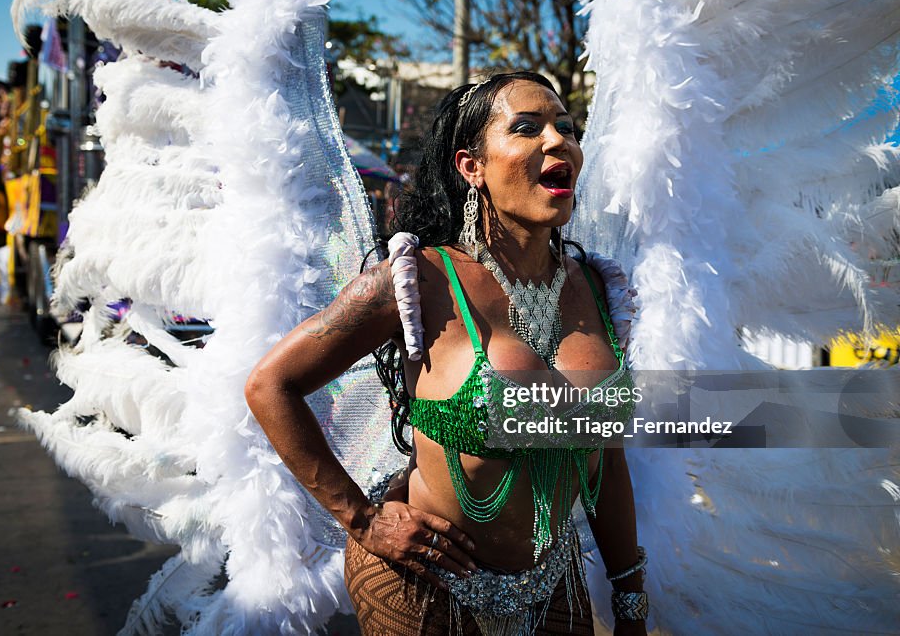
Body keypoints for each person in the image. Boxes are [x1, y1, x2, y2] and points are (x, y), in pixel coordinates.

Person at [246, 72, 646, 635]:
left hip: (553, 584)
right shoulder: (418, 281)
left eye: (566, 128)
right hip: (423, 586)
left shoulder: (600, 288)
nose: (558, 141)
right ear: (471, 167)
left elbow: (604, 456)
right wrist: (362, 520)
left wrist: (630, 594)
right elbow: (270, 385)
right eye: (527, 128)